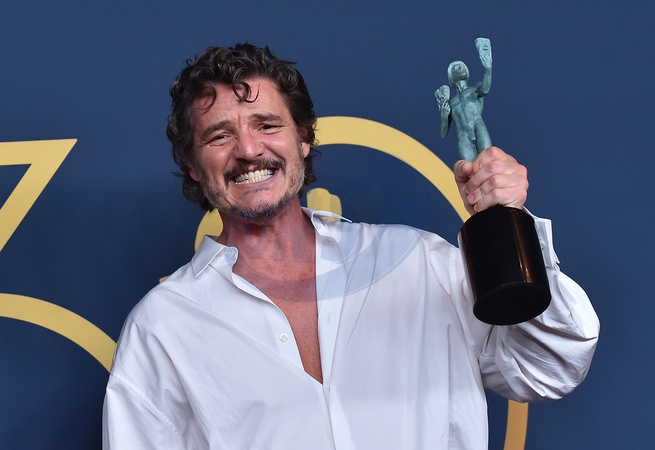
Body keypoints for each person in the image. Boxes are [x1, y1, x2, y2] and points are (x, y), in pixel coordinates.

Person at [103, 43, 599, 449]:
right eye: (219, 136)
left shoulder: (418, 264)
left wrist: (509, 225)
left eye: (267, 125)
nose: (249, 150)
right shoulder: (163, 327)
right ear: (193, 166)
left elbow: (551, 367)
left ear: (303, 139)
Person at [436, 37, 493, 162]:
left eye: (462, 67)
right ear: (451, 78)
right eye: (456, 68)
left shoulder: (474, 89)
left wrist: (488, 69)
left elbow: (485, 89)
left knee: (487, 161)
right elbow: (443, 133)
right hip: (463, 137)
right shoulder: (451, 103)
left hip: (479, 128)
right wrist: (444, 116)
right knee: (470, 169)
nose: (460, 68)